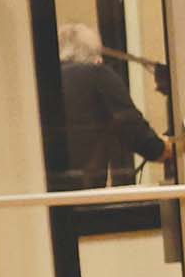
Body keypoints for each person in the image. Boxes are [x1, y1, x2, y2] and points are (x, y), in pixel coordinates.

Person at [57, 26, 168, 186]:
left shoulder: (42, 83)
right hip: (85, 186)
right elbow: (131, 125)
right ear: (95, 53)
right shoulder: (97, 75)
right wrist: (160, 149)